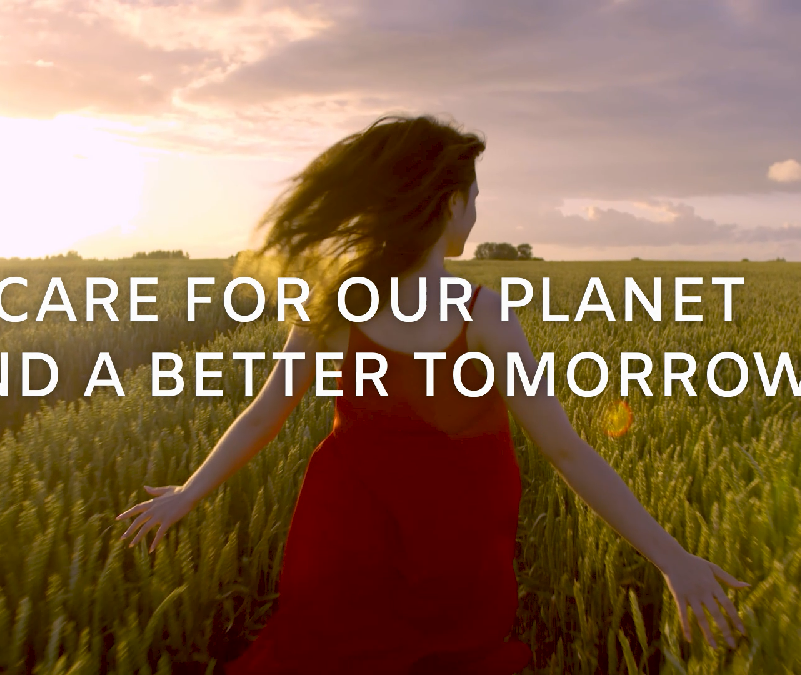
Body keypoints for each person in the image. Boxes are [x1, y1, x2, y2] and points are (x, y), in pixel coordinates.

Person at [116, 114, 749, 674]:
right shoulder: (485, 317)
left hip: (343, 541)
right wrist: (673, 558)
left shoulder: (336, 303)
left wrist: (189, 493)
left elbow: (265, 416)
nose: (476, 213)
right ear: (448, 205)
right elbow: (567, 452)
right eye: (474, 198)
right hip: (456, 555)